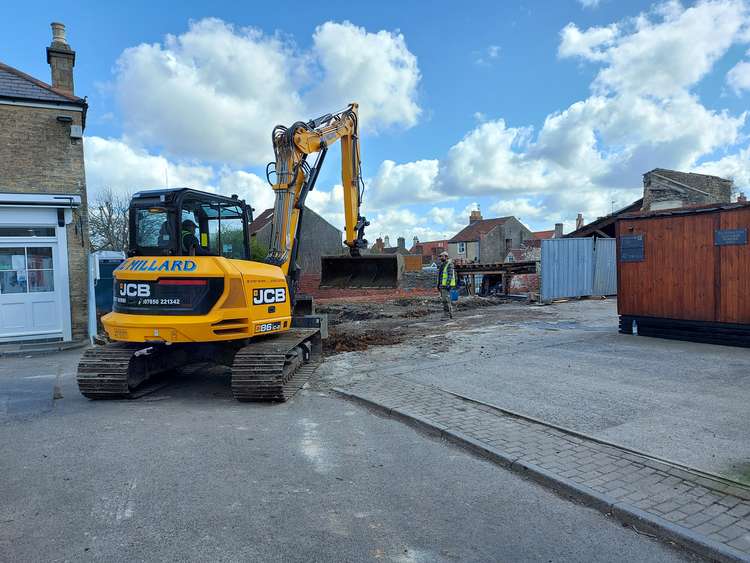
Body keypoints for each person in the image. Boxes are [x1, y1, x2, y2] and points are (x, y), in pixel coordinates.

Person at [437, 251, 457, 319]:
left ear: (446, 256)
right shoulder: (443, 265)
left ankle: (447, 315)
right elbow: (441, 276)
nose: (440, 258)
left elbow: (450, 275)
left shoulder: (449, 264)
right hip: (442, 285)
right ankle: (449, 314)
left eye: (442, 256)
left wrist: (448, 284)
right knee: (445, 300)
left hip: (446, 285)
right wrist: (439, 285)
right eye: (440, 256)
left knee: (445, 300)